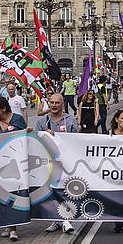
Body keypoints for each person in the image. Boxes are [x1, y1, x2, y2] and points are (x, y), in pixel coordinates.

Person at [0, 97, 27, 241]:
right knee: (2, 194)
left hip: (16, 163)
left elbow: (24, 137)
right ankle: (7, 223)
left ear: (3, 108)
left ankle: (13, 228)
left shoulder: (17, 119)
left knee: (14, 193)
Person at [37, 94, 78, 233]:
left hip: (66, 162)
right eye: (51, 102)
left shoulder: (70, 120)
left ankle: (66, 219)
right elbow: (36, 140)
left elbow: (76, 140)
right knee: (52, 191)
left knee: (65, 190)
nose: (53, 105)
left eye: (56, 103)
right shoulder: (42, 121)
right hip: (48, 163)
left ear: (62, 104)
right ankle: (58, 220)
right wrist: (43, 134)